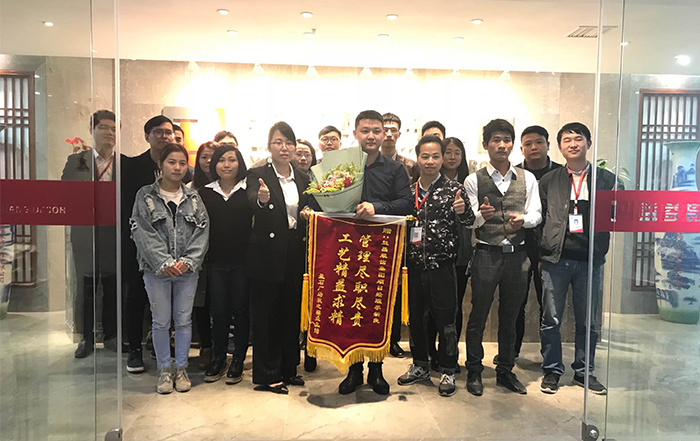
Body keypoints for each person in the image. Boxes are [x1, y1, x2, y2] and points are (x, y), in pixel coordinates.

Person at [309, 110, 412, 395]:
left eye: (377, 131)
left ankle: (377, 370)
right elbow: (319, 198)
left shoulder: (394, 170)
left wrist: (377, 208)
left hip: (380, 251)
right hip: (344, 249)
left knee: (377, 309)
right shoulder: (340, 165)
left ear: (384, 134)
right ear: (354, 133)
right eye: (365, 130)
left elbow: (407, 203)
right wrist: (313, 210)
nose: (371, 136)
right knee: (348, 306)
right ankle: (353, 370)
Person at [538, 122, 619, 395]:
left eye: (579, 138)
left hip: (589, 260)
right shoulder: (549, 181)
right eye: (567, 140)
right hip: (555, 260)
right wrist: (542, 251)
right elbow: (540, 220)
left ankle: (584, 372)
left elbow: (618, 215)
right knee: (551, 319)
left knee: (588, 322)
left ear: (588, 143)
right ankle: (552, 370)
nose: (573, 144)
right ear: (560, 147)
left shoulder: (606, 180)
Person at [463, 119, 542, 396]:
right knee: (478, 315)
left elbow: (536, 213)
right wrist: (480, 216)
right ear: (486, 145)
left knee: (511, 317)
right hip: (486, 253)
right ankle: (474, 370)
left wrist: (525, 221)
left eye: (506, 139)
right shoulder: (473, 180)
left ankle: (506, 370)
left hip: (518, 256)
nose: (501, 145)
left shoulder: (527, 178)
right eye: (495, 140)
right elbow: (469, 221)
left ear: (512, 144)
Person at [397, 135, 475, 397]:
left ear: (442, 159)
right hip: (414, 266)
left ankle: (447, 369)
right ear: (417, 158)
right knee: (416, 320)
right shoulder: (408, 192)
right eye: (425, 156)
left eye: (435, 156)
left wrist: (463, 210)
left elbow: (469, 222)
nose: (430, 161)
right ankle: (420, 364)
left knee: (446, 322)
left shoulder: (455, 189)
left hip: (443, 267)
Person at [130, 143, 209, 394]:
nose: (177, 167)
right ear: (160, 164)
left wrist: (188, 261)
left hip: (187, 271)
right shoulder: (145, 195)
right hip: (156, 271)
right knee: (161, 321)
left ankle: (181, 368)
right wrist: (163, 262)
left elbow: (203, 230)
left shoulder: (193, 197)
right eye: (171, 162)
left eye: (182, 163)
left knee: (184, 321)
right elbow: (142, 231)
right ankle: (165, 370)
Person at [121, 115, 193, 373]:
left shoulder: (185, 172)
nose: (164, 136)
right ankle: (135, 349)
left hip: (177, 251)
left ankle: (166, 349)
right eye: (158, 132)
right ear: (147, 136)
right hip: (139, 245)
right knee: (136, 297)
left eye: (168, 132)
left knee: (172, 307)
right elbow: (127, 210)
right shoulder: (130, 166)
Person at [246, 121, 310, 395]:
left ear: (295, 147)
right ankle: (268, 374)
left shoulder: (303, 177)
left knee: (291, 312)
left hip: (295, 250)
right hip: (267, 253)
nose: (284, 148)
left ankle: (289, 369)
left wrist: (307, 214)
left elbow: (310, 205)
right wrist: (261, 200)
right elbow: (251, 199)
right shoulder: (257, 173)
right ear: (269, 146)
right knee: (266, 314)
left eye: (288, 143)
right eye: (278, 142)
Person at [493, 125, 562, 364]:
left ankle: (549, 357)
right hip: (520, 245)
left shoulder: (561, 175)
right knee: (516, 302)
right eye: (528, 144)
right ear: (521, 148)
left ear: (548, 145)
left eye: (539, 142)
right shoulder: (515, 174)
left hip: (551, 247)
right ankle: (511, 351)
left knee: (548, 304)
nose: (534, 147)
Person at [61, 110, 121, 358]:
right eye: (104, 127)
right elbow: (65, 193)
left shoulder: (123, 164)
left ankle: (111, 336)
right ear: (92, 130)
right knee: (86, 287)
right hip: (85, 235)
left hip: (114, 234)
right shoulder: (77, 161)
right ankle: (85, 338)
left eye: (114, 129)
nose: (109, 133)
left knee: (113, 286)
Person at [199, 144, 253, 384]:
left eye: (232, 159)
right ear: (215, 164)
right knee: (219, 311)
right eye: (221, 160)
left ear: (239, 163)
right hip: (215, 262)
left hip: (243, 261)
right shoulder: (204, 193)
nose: (227, 165)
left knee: (241, 311)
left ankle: (238, 359)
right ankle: (218, 358)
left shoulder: (249, 190)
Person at [425, 136, 471, 371]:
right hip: (432, 257)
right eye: (448, 152)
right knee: (430, 309)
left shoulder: (467, 183)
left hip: (460, 255)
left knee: (453, 308)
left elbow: (471, 219)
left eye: (457, 153)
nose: (452, 157)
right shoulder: (427, 183)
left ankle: (449, 355)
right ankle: (430, 354)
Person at [188, 141, 220, 370]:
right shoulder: (191, 189)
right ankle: (205, 347)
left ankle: (219, 348)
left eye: (213, 157)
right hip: (198, 254)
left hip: (221, 252)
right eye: (204, 157)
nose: (208, 161)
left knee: (220, 303)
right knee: (201, 302)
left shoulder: (228, 186)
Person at [382, 112, 418, 183]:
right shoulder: (370, 163)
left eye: (393, 130)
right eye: (385, 130)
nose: (389, 134)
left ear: (399, 134)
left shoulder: (411, 166)